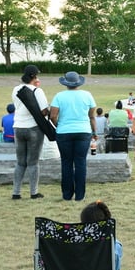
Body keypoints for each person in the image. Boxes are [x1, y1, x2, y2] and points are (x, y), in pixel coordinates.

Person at [50, 71, 97, 202]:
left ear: (65, 83)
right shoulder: (87, 95)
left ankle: (67, 194)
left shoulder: (59, 96)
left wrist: (58, 124)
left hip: (64, 131)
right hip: (83, 131)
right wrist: (94, 132)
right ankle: (80, 195)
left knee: (66, 163)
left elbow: (53, 115)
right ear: (78, 83)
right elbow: (92, 116)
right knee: (80, 163)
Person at [12, 65, 49, 200]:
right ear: (34, 76)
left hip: (18, 127)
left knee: (20, 162)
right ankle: (34, 192)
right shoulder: (37, 91)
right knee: (33, 162)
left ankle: (16, 192)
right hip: (33, 127)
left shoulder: (16, 89)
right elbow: (43, 110)